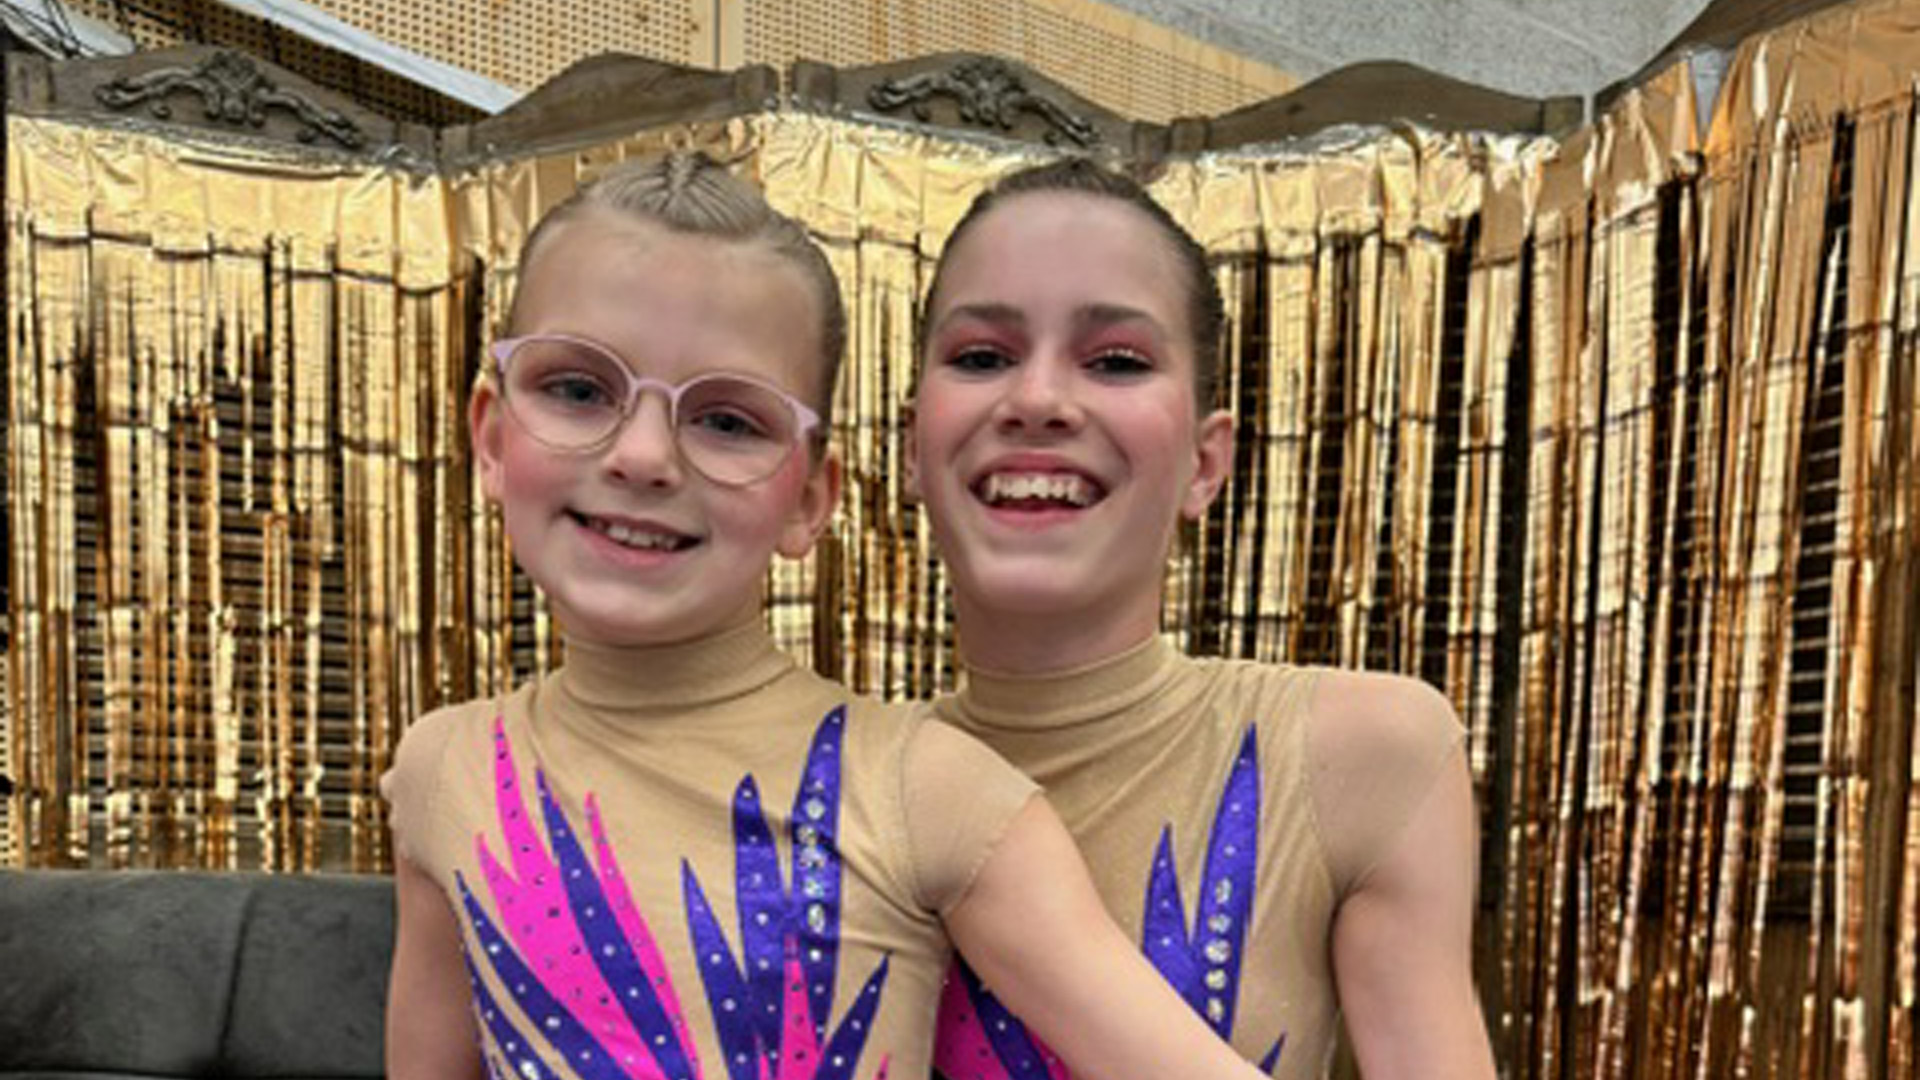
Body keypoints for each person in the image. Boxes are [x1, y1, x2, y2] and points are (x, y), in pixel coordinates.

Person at [381, 152, 1276, 1080]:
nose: (643, 457)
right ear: (491, 435)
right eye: (577, 390)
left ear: (811, 498)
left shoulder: (925, 788)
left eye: (728, 421)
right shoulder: (444, 770)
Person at [911, 158, 1499, 1080]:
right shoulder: (843, 779)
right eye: (983, 357)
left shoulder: (1363, 752)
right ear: (912, 442)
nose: (1036, 402)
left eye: (1116, 361)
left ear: (1205, 462)